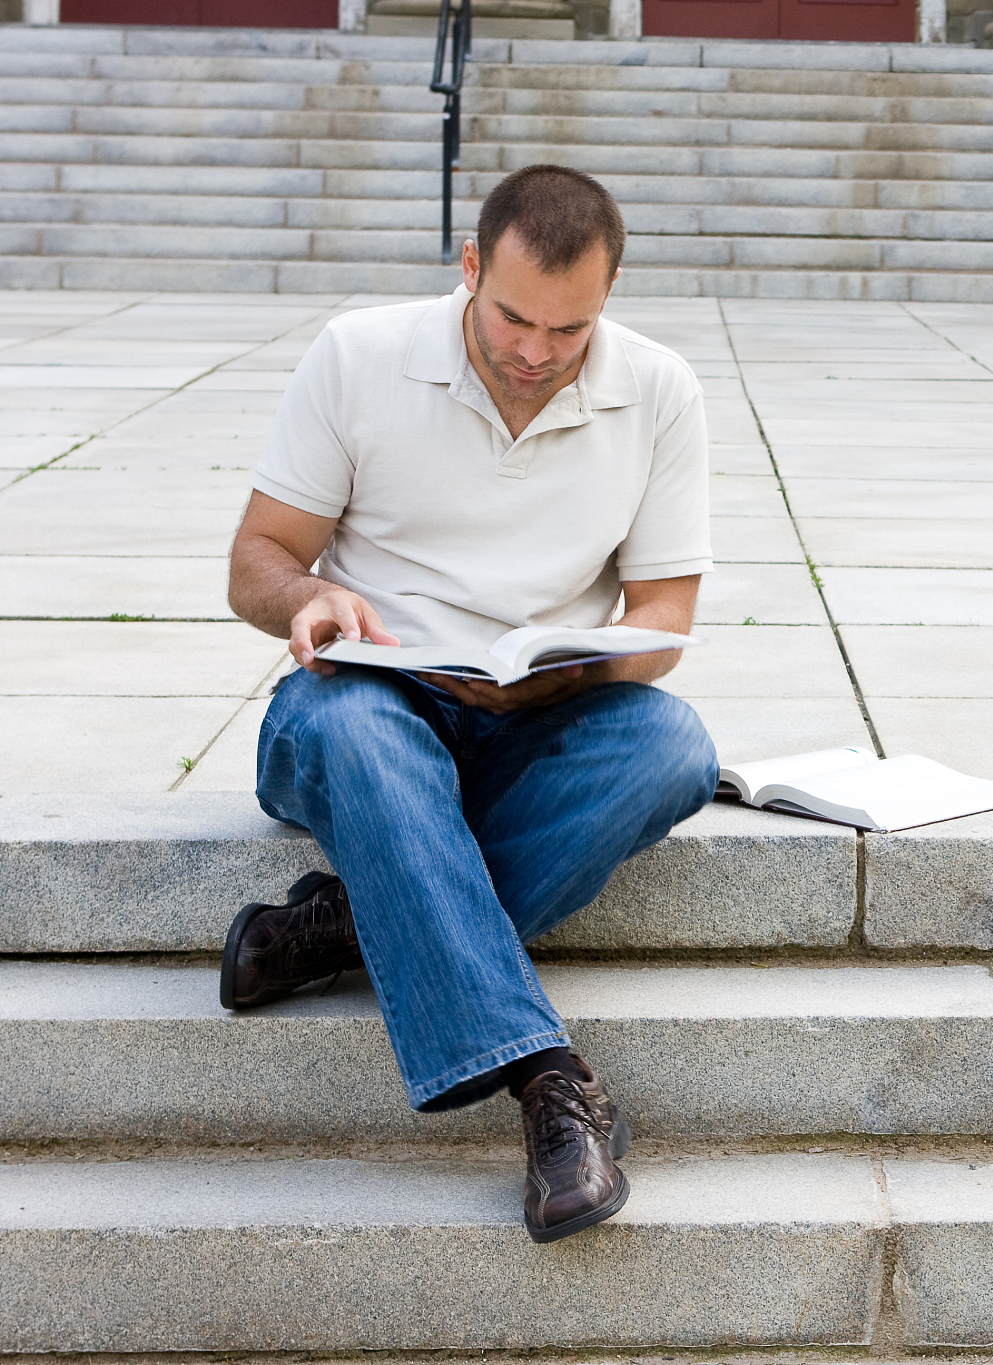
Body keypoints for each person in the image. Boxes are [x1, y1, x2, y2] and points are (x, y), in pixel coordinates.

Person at [220, 165, 719, 1244]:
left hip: (537, 706)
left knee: (670, 746)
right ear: (469, 268)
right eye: (513, 317)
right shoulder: (360, 356)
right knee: (362, 736)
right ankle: (550, 1080)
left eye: (570, 328)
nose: (536, 350)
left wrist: (572, 673)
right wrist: (313, 598)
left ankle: (338, 924)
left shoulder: (661, 388)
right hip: (366, 705)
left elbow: (665, 616)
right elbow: (257, 560)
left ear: (611, 293)